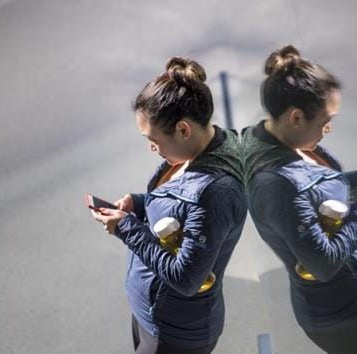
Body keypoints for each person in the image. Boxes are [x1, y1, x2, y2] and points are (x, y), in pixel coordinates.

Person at [243, 45, 357, 354]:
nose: (328, 129)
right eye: (325, 120)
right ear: (295, 117)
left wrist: (354, 180)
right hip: (343, 316)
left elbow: (311, 192)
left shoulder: (291, 141)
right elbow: (323, 262)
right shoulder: (273, 185)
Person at [91, 57, 247, 354]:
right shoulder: (195, 151)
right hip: (152, 312)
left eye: (154, 140)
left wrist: (126, 228)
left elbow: (186, 279)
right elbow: (179, 204)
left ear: (183, 130)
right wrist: (139, 204)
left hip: (174, 333)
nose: (152, 148)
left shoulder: (217, 193)